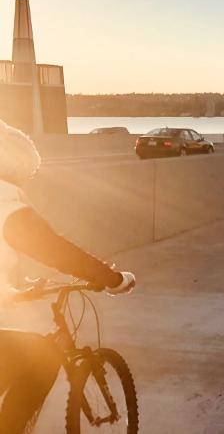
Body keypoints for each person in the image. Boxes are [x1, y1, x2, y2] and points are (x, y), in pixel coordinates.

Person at [0, 119, 136, 434]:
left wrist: (12, 290)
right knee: (43, 357)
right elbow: (56, 251)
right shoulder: (7, 205)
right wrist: (113, 279)